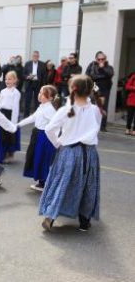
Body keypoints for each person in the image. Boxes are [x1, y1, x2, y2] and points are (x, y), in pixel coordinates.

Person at [40, 75, 102, 232]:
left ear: (72, 89)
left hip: (68, 151)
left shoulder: (65, 110)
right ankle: (84, 221)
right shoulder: (95, 110)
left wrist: (58, 143)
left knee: (62, 183)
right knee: (88, 186)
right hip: (89, 153)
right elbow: (96, 129)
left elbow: (49, 129)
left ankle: (50, 216)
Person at [17, 85, 59, 192]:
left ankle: (44, 183)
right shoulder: (42, 106)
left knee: (43, 159)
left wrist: (56, 140)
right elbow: (33, 117)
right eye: (40, 92)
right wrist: (18, 124)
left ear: (50, 98)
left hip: (44, 137)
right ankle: (41, 181)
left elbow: (56, 124)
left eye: (43, 94)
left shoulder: (49, 109)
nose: (39, 95)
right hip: (37, 134)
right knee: (37, 157)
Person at [0, 71, 21, 164]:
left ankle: (10, 155)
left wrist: (13, 123)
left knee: (10, 136)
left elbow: (15, 108)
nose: (7, 81)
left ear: (15, 80)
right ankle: (3, 154)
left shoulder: (16, 93)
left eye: (9, 79)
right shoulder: (2, 91)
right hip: (2, 114)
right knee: (3, 135)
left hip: (10, 115)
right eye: (6, 79)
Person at [85, 51, 114, 132]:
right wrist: (99, 77)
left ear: (105, 59)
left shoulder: (108, 67)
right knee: (92, 105)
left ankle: (102, 126)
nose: (101, 60)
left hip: (105, 88)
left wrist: (102, 68)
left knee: (103, 106)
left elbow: (110, 74)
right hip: (94, 86)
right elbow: (87, 75)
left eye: (102, 59)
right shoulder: (92, 65)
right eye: (99, 59)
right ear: (96, 59)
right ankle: (91, 124)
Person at [23, 51, 47, 117]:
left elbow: (45, 76)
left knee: (38, 101)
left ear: (38, 57)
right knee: (27, 100)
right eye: (34, 56)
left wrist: (43, 86)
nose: (35, 57)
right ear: (32, 56)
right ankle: (26, 116)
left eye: (36, 56)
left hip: (38, 84)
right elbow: (23, 74)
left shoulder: (42, 64)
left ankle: (37, 116)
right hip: (29, 83)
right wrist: (27, 77)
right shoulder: (27, 64)